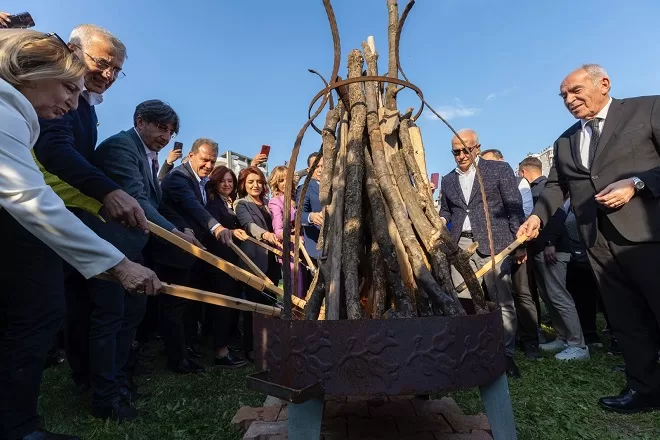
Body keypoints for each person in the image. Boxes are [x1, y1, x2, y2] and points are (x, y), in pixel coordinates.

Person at [0, 29, 161, 440]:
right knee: (35, 314)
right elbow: (29, 194)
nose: (72, 102)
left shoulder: (31, 111)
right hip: (31, 224)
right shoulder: (6, 111)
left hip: (46, 218)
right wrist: (117, 261)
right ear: (34, 71)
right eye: (68, 88)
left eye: (114, 70)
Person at [518, 64, 660, 413]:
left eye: (576, 91)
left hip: (648, 234)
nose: (569, 99)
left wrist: (637, 184)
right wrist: (537, 215)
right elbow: (556, 187)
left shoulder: (648, 109)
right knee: (625, 318)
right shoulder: (565, 141)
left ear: (604, 84)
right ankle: (644, 388)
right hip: (596, 241)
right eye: (564, 95)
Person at [440, 129, 525, 378]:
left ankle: (505, 355)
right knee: (463, 301)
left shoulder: (498, 170)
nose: (461, 156)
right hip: (460, 247)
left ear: (477, 147)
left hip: (494, 244)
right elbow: (447, 210)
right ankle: (470, 351)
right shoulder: (448, 180)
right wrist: (440, 220)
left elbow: (513, 206)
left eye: (465, 150)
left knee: (502, 301)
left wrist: (519, 243)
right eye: (456, 151)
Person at [157, 138, 234, 374]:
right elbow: (190, 206)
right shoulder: (180, 177)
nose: (209, 165)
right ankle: (177, 359)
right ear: (190, 156)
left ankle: (187, 349)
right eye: (204, 159)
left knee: (187, 306)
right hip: (173, 252)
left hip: (190, 252)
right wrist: (216, 227)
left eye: (212, 160)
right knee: (174, 306)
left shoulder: (201, 182)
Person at [480, 149, 540, 360]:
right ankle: (504, 339)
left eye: (490, 164)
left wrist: (518, 245)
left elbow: (521, 211)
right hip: (495, 248)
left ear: (501, 162)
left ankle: (531, 339)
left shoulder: (519, 183)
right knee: (500, 295)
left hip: (516, 242)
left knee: (522, 293)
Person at [204, 166, 250, 368]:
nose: (227, 184)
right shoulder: (213, 204)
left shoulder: (229, 202)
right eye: (223, 180)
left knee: (231, 304)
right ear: (215, 182)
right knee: (222, 305)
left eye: (230, 181)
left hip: (233, 260)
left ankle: (227, 345)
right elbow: (212, 231)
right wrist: (232, 232)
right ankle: (221, 353)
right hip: (220, 262)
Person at [235, 166, 282, 362]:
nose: (256, 185)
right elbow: (248, 225)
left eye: (259, 182)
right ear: (244, 185)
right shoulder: (241, 204)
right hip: (254, 260)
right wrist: (264, 234)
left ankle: (269, 344)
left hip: (272, 259)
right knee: (254, 306)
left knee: (270, 303)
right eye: (251, 182)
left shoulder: (268, 203)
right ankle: (252, 348)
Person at [268, 165, 305, 298]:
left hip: (301, 248)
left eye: (287, 179)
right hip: (288, 249)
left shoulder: (296, 199)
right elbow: (278, 230)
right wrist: (292, 235)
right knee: (296, 285)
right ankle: (294, 316)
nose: (285, 184)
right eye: (281, 180)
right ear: (275, 183)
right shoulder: (275, 202)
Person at [299, 153, 324, 261]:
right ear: (309, 170)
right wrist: (311, 217)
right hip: (317, 248)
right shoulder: (305, 189)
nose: (320, 170)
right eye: (316, 167)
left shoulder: (338, 186)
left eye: (323, 166)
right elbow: (298, 215)